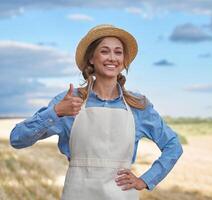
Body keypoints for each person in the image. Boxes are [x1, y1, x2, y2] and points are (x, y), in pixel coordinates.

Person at [10, 24, 183, 199]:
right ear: (91, 58)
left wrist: (145, 180)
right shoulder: (70, 101)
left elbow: (173, 146)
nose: (112, 58)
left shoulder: (138, 106)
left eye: (118, 52)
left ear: (124, 61)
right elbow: (17, 139)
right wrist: (56, 112)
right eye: (105, 51)